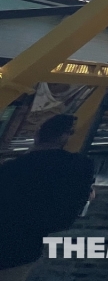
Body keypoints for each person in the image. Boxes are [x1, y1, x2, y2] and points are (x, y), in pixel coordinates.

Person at [0, 114, 95, 280]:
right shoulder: (80, 166)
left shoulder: (10, 168)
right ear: (66, 136)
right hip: (25, 248)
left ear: (37, 135)